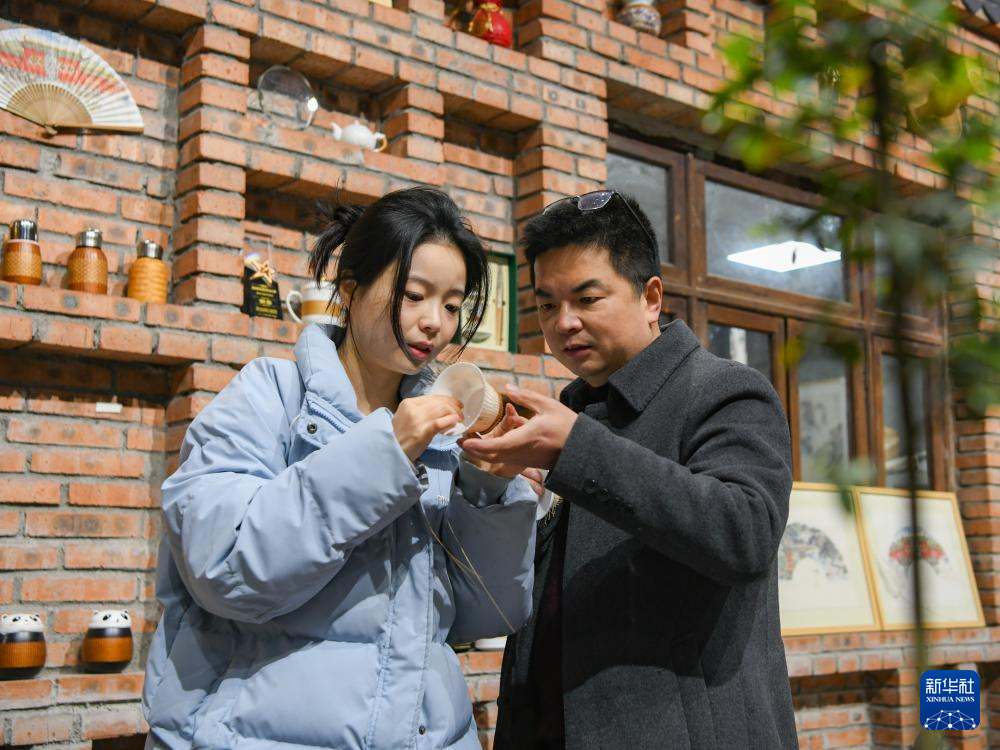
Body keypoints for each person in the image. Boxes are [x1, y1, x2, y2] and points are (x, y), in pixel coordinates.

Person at [142, 187, 538, 750]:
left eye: (452, 306)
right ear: (349, 290)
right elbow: (223, 569)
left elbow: (488, 614)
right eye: (413, 295)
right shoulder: (269, 396)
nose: (434, 323)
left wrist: (489, 489)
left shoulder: (444, 434)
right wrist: (386, 453)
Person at [462, 190, 798, 749]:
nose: (564, 323)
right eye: (547, 305)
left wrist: (574, 451)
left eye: (587, 298)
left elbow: (745, 532)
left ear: (651, 298)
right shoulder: (575, 413)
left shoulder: (725, 390)